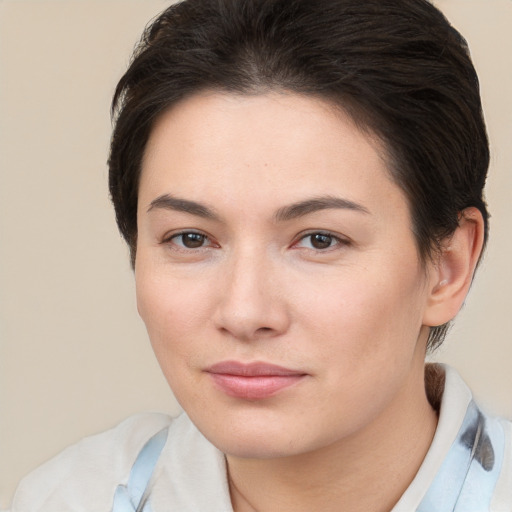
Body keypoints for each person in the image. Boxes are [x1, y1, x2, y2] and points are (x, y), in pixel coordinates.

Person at [8, 0, 511, 510]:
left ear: (448, 267)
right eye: (191, 239)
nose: (245, 313)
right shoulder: (69, 498)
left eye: (319, 239)